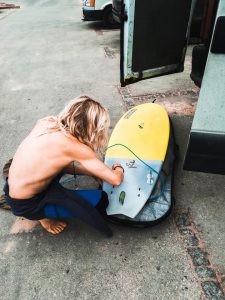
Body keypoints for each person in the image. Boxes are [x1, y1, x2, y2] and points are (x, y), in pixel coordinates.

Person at [4, 96, 124, 235]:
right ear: (93, 129)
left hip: (14, 188)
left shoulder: (46, 122)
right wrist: (118, 169)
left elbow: (51, 162)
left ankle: (42, 208)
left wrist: (91, 172)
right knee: (102, 201)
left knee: (75, 166)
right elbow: (115, 180)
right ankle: (42, 217)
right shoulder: (75, 148)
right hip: (27, 205)